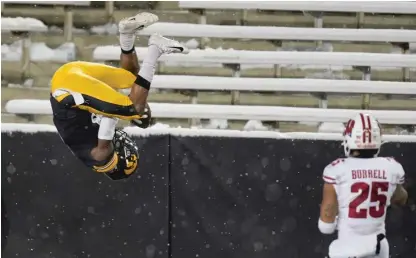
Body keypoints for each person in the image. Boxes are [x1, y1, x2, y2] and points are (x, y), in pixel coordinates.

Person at [49, 12, 188, 180]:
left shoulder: (99, 159)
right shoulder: (88, 142)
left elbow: (109, 122)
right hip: (70, 73)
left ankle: (155, 49)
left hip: (68, 89)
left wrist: (132, 111)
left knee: (134, 109)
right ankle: (127, 35)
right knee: (134, 80)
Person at [318, 113, 408, 258]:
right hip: (378, 246)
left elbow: (327, 221)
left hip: (348, 247)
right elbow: (401, 198)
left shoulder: (337, 169)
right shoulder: (392, 167)